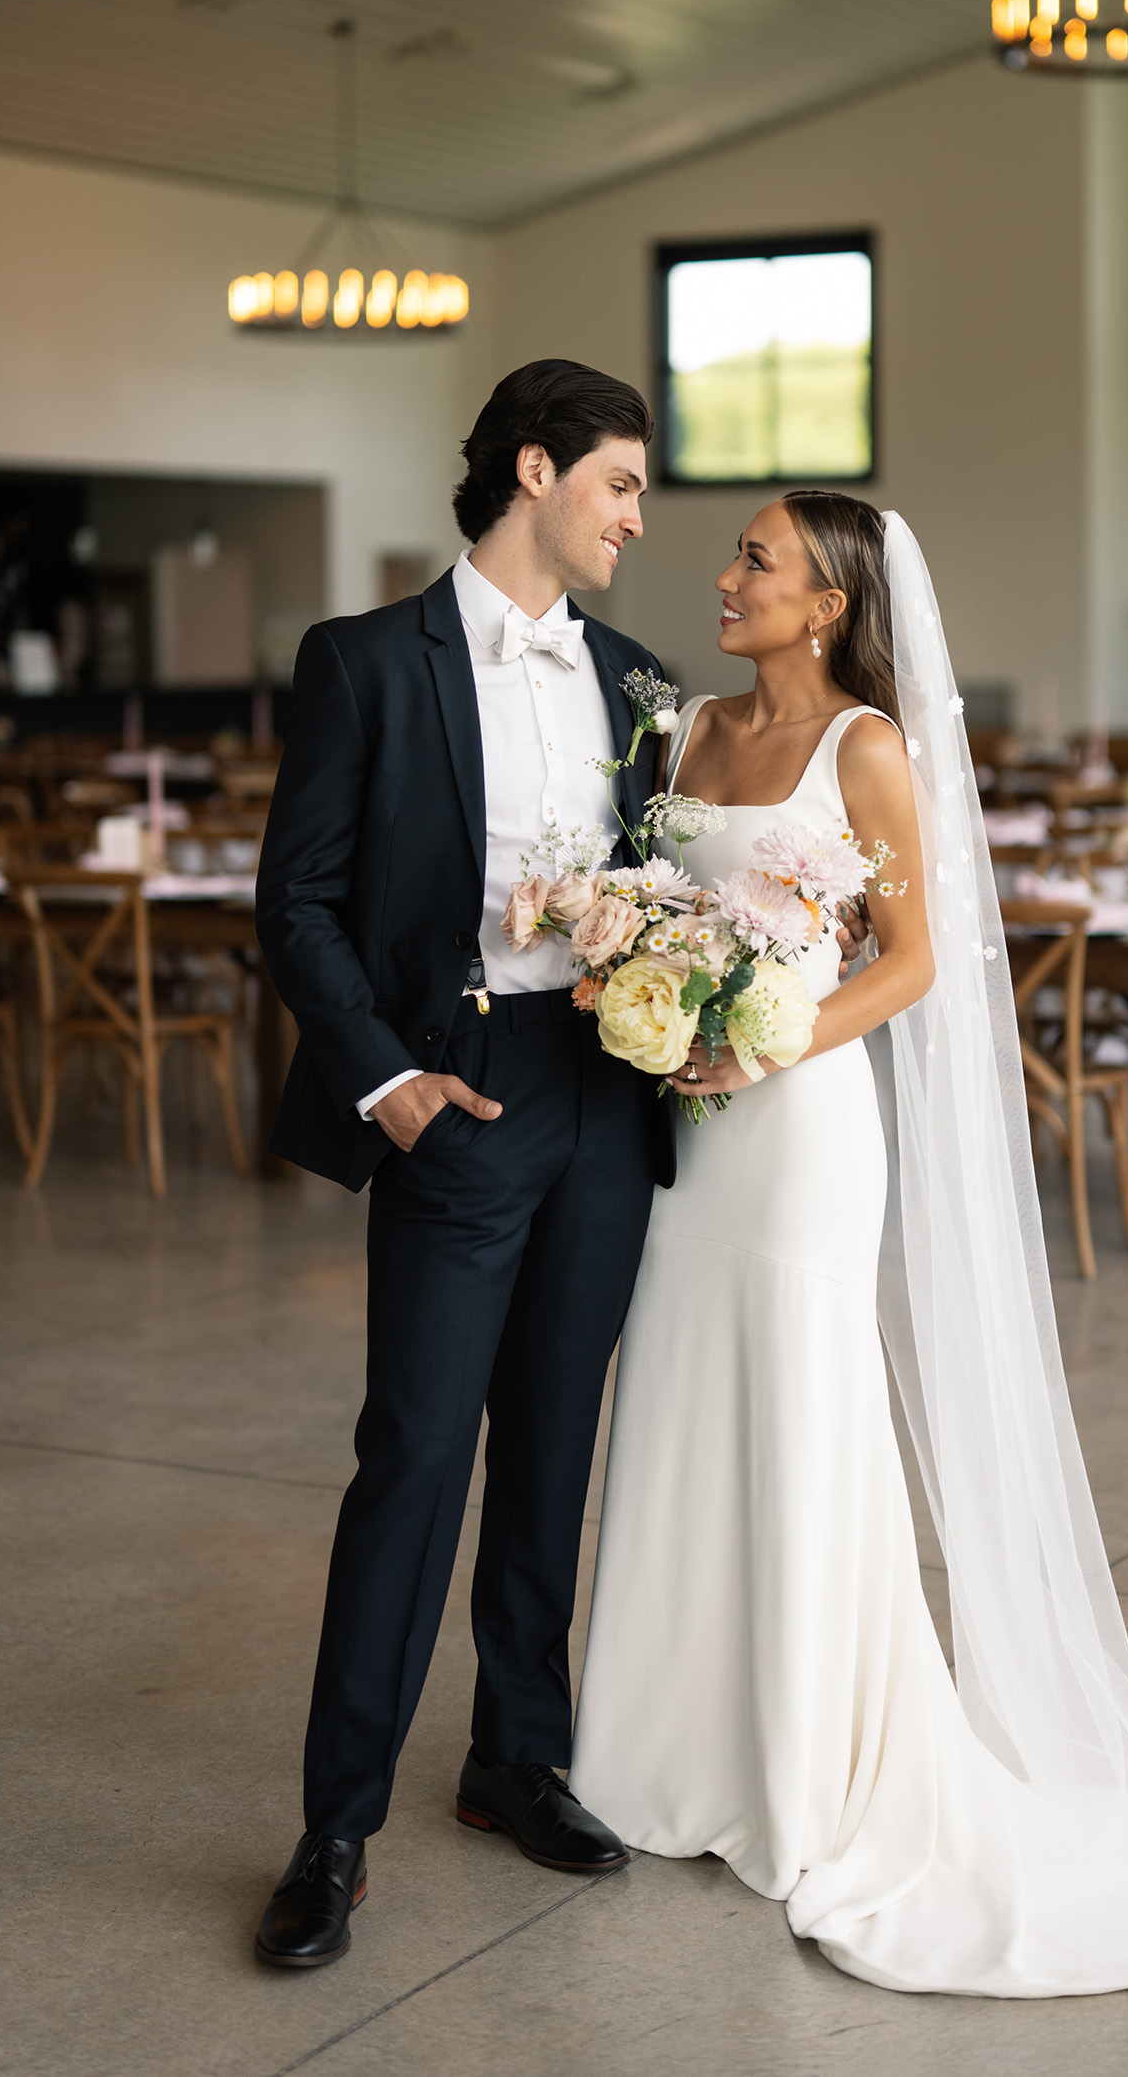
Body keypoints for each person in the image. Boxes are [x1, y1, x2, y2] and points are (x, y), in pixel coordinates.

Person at [571, 491, 1128, 2070]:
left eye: (757, 563)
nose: (724, 577)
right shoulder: (681, 731)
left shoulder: (864, 746)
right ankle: (656, 1750)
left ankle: (799, 1770)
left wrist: (762, 1034)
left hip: (796, 1129)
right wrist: (632, 975)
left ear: (828, 602)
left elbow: (913, 961)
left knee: (801, 1420)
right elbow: (653, 899)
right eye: (731, 553)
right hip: (688, 1132)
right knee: (672, 1398)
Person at [250, 360, 675, 1970]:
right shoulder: (363, 661)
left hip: (602, 1099)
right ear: (534, 469)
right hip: (457, 1094)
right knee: (416, 1457)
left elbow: (656, 894)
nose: (636, 517)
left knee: (553, 1449)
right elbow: (296, 901)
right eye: (620, 484)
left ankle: (516, 1758)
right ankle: (334, 1830)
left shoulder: (636, 680)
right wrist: (389, 1081)